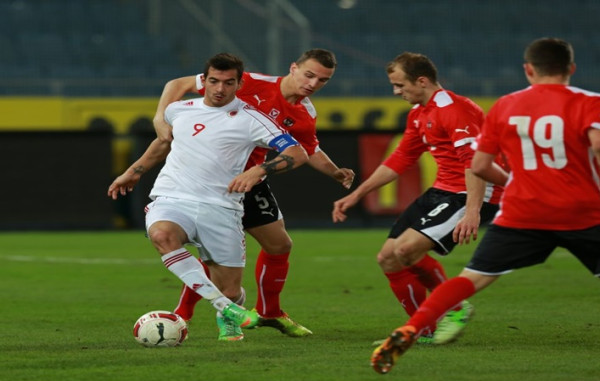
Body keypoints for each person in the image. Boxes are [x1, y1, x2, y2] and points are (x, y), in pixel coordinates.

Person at [370, 38, 600, 381]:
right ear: (571, 68)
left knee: (472, 279)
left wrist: (511, 183)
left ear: (528, 69)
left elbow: (480, 165)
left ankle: (411, 328)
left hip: (522, 210)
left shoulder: (505, 106)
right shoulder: (593, 101)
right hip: (581, 211)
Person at [152, 49, 355, 338]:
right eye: (309, 75)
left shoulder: (305, 113)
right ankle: (185, 313)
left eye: (322, 80)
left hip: (250, 181)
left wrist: (335, 171)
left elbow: (308, 150)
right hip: (210, 180)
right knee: (213, 254)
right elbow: (178, 84)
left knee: (280, 245)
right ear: (293, 68)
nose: (313, 83)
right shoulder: (247, 81)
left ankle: (270, 312)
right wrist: (160, 117)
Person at [108, 53, 309, 342]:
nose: (219, 89)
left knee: (231, 289)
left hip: (222, 208)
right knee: (163, 235)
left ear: (239, 84)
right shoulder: (179, 109)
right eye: (214, 81)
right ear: (204, 81)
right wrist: (134, 171)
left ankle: (228, 309)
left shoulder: (253, 120)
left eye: (228, 83)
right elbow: (163, 143)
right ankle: (224, 307)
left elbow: (296, 152)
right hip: (174, 197)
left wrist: (258, 171)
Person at [332, 52, 503, 344]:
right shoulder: (419, 113)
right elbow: (400, 158)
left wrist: (474, 211)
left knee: (406, 250)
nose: (396, 92)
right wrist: (358, 193)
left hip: (471, 192)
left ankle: (455, 308)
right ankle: (424, 329)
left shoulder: (454, 109)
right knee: (388, 258)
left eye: (400, 85)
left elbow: (473, 162)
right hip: (442, 191)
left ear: (422, 81)